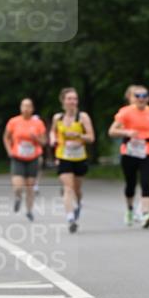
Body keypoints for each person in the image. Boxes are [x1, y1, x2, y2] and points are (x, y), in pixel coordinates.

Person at [108, 84, 149, 228]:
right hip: (129, 152)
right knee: (130, 184)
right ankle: (130, 209)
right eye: (137, 96)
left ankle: (145, 214)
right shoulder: (125, 112)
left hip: (147, 151)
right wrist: (127, 133)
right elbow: (112, 131)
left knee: (146, 182)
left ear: (148, 98)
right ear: (133, 98)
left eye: (144, 96)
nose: (141, 99)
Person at [50, 88, 95, 233]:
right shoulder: (57, 118)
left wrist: (78, 135)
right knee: (68, 187)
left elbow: (91, 137)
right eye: (69, 99)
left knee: (76, 188)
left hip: (79, 157)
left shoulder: (83, 117)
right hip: (63, 156)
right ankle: (70, 218)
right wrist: (52, 139)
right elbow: (53, 131)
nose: (72, 102)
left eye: (75, 99)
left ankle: (79, 202)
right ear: (63, 101)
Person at [3, 99, 47, 221]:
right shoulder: (13, 121)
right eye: (24, 106)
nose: (26, 109)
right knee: (18, 185)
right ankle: (18, 197)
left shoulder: (38, 123)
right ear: (20, 108)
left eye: (29, 106)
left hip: (33, 157)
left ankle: (29, 210)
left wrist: (36, 138)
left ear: (32, 109)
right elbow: (6, 137)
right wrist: (9, 151)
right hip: (18, 156)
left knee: (30, 186)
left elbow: (44, 142)